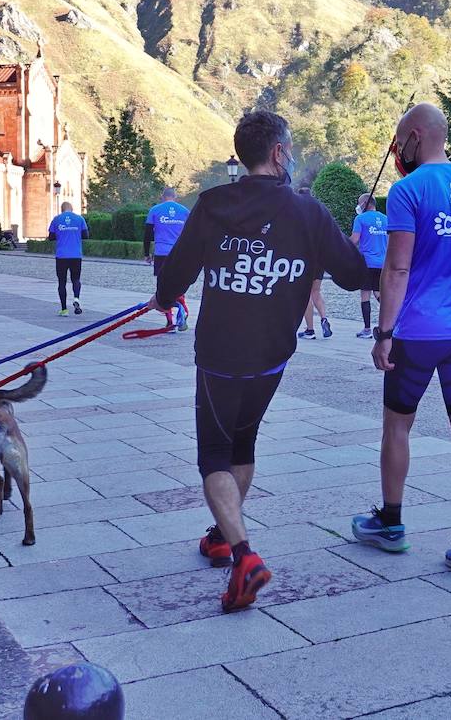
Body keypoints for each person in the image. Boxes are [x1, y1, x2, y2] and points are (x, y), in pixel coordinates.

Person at [152, 110, 367, 611]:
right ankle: (225, 533)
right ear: (277, 153)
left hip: (220, 354)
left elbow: (174, 277)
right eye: (288, 148)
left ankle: (243, 555)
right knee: (242, 443)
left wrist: (163, 298)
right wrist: (351, 246)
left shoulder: (212, 205)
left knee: (213, 455)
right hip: (272, 355)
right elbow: (355, 275)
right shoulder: (309, 214)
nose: (290, 155)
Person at [353, 103, 451, 580]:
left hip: (417, 331)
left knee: (397, 427)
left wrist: (384, 334)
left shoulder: (407, 191)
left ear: (415, 136)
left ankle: (391, 522)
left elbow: (396, 268)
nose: (398, 151)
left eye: (399, 141)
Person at [144, 187, 190, 330]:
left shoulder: (155, 210)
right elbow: (191, 234)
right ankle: (183, 313)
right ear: (175, 197)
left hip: (161, 253)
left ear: (162, 196)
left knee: (163, 287)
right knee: (179, 284)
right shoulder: (184, 211)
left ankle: (169, 320)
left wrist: (146, 253)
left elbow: (147, 234)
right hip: (179, 253)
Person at [294, 187, 334, 340]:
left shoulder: (298, 215)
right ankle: (324, 318)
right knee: (316, 292)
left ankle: (310, 329)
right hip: (320, 258)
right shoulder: (320, 213)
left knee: (305, 295)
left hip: (306, 258)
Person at [350, 192, 388, 338]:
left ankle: (366, 329)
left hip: (367, 262)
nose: (358, 206)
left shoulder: (360, 219)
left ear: (365, 203)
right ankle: (392, 320)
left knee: (365, 294)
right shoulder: (386, 219)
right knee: (378, 293)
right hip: (383, 262)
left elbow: (354, 239)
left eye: (360, 203)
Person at [48, 201, 89, 315]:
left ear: (62, 209)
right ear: (72, 208)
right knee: (76, 279)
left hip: (61, 255)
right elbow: (86, 235)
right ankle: (76, 298)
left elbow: (51, 237)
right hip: (76, 254)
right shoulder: (80, 219)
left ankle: (64, 309)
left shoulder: (56, 219)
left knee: (62, 282)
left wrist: (61, 234)